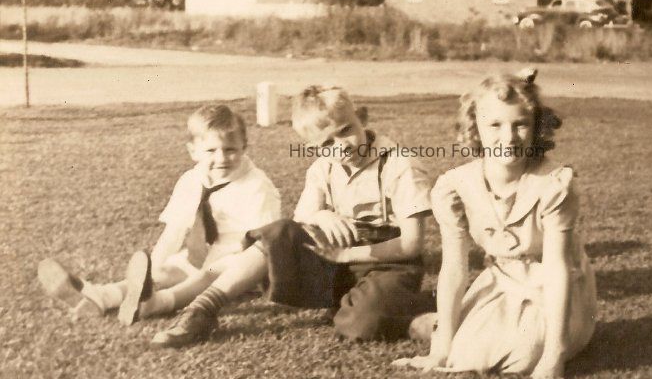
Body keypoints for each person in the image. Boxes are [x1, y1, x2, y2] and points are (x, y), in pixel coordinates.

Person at [150, 85, 434, 347]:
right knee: (277, 234)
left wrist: (347, 254)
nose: (341, 146)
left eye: (346, 130)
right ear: (313, 147)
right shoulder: (323, 167)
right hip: (339, 257)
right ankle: (201, 311)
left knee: (357, 325)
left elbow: (411, 245)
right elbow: (301, 218)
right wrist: (321, 215)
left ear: (362, 117)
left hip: (388, 262)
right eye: (326, 143)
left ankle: (420, 308)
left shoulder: (399, 164)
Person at [393, 69, 597, 379]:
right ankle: (437, 325)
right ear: (475, 127)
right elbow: (454, 268)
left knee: (525, 355)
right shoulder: (455, 186)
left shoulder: (554, 184)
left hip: (553, 289)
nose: (509, 137)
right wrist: (440, 350)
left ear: (536, 127)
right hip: (501, 280)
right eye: (495, 125)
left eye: (520, 124)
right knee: (461, 354)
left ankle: (546, 335)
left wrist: (553, 356)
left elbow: (558, 269)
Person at [37, 104, 282, 326]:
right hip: (200, 254)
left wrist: (243, 270)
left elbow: (265, 245)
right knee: (167, 272)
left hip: (238, 264)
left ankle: (159, 303)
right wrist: (150, 273)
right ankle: (101, 296)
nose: (221, 158)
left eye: (230, 150)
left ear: (244, 147)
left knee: (204, 277)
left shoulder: (256, 186)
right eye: (211, 150)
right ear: (193, 151)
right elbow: (174, 231)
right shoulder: (192, 179)